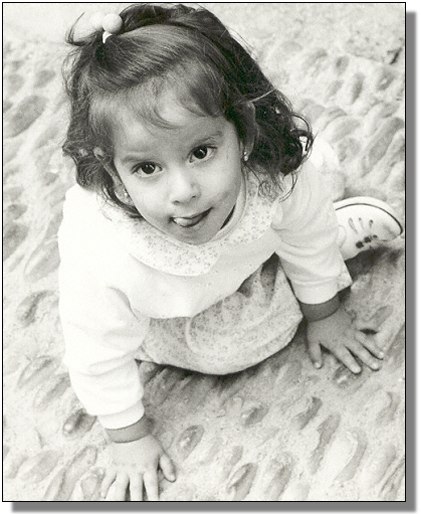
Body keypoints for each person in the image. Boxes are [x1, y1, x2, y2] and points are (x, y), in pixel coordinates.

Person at [58, 3, 403, 501]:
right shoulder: (104, 250)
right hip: (178, 307)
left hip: (255, 242)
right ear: (114, 174)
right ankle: (338, 236)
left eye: (201, 152)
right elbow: (96, 350)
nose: (183, 191)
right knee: (227, 348)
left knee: (313, 184)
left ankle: (333, 233)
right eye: (146, 169)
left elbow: (304, 234)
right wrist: (127, 435)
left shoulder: (272, 176)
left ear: (241, 131)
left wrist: (325, 313)